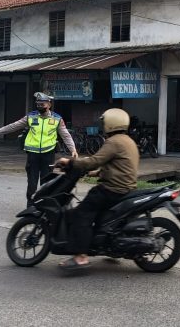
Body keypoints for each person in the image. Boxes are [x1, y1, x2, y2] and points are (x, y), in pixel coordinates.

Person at [55, 108, 139, 269]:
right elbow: (119, 166)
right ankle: (109, 248)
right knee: (99, 216)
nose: (103, 126)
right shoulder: (128, 141)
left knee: (81, 214)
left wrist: (70, 162)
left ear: (111, 123)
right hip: (126, 188)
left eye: (104, 122)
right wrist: (95, 173)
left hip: (112, 190)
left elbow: (94, 161)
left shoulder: (114, 142)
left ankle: (81, 257)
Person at [0, 92, 77, 205]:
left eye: (42, 104)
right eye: (38, 104)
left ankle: (44, 207)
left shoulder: (57, 119)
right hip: (32, 154)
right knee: (32, 184)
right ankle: (30, 207)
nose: (40, 106)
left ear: (49, 104)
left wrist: (73, 149)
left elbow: (65, 135)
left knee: (46, 183)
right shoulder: (30, 117)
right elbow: (13, 126)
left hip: (48, 154)